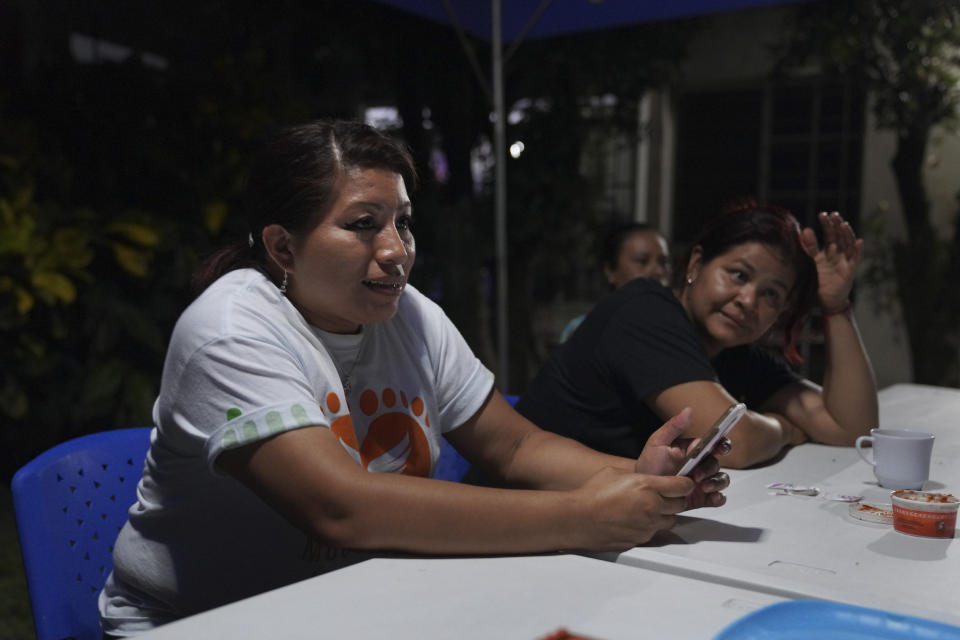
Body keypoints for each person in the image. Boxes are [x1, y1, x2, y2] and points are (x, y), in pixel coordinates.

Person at [98, 120, 730, 635]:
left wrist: (634, 478)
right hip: (198, 624)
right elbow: (341, 508)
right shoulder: (231, 330)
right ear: (283, 248)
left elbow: (515, 445)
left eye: (401, 220)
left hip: (348, 606)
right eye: (362, 224)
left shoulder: (410, 315)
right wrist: (584, 516)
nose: (397, 249)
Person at [517, 199, 878, 469]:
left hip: (594, 524)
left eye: (771, 294)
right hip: (516, 525)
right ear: (694, 264)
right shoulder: (644, 311)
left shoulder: (735, 353)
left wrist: (836, 305)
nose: (748, 301)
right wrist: (786, 428)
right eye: (738, 275)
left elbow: (854, 428)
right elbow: (732, 443)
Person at [559, 222, 671, 342]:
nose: (658, 271)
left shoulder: (676, 329)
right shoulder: (584, 330)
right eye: (642, 261)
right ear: (610, 271)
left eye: (663, 262)